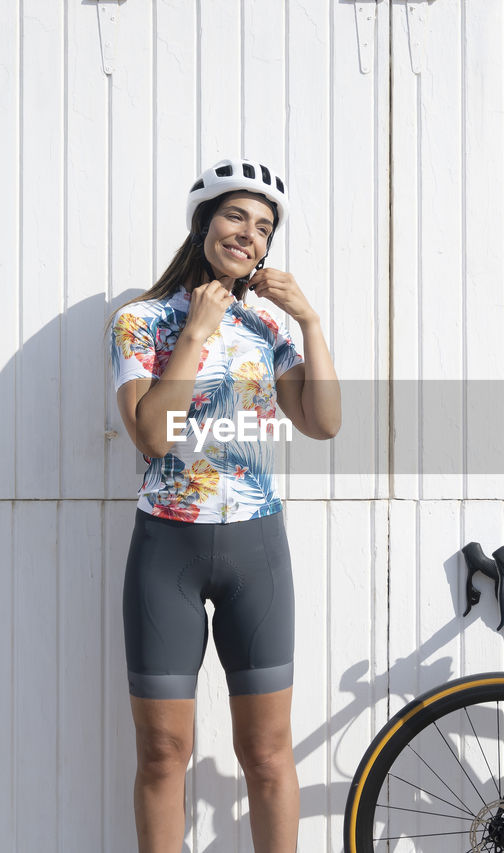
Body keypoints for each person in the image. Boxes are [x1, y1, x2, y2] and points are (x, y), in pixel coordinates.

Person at [109, 158, 341, 852]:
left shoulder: (269, 330)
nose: (250, 233)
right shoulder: (139, 321)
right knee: (161, 752)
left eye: (264, 226)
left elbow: (324, 422)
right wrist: (195, 334)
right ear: (204, 222)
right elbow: (152, 435)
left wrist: (308, 320)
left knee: (267, 755)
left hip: (256, 550)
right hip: (166, 550)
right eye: (237, 215)